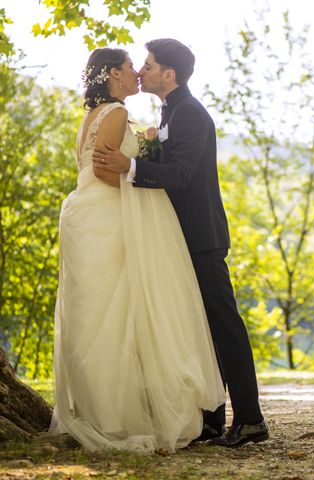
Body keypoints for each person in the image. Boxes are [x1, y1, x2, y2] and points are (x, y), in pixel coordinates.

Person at [93, 39, 268, 448]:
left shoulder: (189, 113)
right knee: (197, 330)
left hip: (201, 238)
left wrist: (131, 166)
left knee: (224, 327)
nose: (142, 70)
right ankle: (209, 420)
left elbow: (184, 174)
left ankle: (251, 420)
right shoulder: (168, 111)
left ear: (167, 75)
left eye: (149, 65)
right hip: (175, 239)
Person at [50, 47, 226, 453]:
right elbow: (102, 172)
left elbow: (106, 167)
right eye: (132, 67)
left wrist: (140, 153)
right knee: (122, 313)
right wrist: (140, 181)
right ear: (114, 74)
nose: (137, 73)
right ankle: (121, 415)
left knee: (107, 317)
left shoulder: (98, 115)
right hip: (110, 221)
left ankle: (109, 411)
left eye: (143, 67)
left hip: (93, 218)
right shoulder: (113, 114)